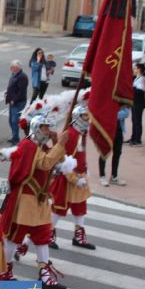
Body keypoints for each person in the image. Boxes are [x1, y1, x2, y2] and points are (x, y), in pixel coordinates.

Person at [1, 114, 69, 289]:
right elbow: (45, 164)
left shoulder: (40, 146)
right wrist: (60, 145)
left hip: (39, 200)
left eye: (48, 128)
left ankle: (44, 274)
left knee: (43, 237)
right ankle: (4, 271)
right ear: (36, 128)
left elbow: (59, 160)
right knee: (14, 237)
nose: (48, 131)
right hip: (24, 200)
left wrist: (56, 144)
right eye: (45, 128)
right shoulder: (27, 146)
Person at [50, 104, 96, 251]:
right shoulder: (70, 135)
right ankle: (48, 234)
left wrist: (85, 169)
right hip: (68, 178)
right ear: (77, 117)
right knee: (59, 208)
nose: (87, 119)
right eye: (84, 116)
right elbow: (63, 159)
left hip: (80, 175)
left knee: (80, 207)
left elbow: (80, 155)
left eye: (87, 116)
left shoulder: (81, 133)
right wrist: (75, 178)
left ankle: (79, 236)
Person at [99, 106, 129, 187]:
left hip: (118, 130)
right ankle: (102, 176)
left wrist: (112, 113)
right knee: (104, 153)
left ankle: (114, 176)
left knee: (117, 153)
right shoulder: (107, 100)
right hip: (107, 130)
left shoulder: (120, 100)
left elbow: (126, 113)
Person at [5, 60, 28, 145]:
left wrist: (14, 100)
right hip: (12, 102)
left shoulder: (22, 76)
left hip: (19, 102)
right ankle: (14, 136)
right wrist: (7, 94)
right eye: (11, 67)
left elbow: (21, 91)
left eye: (14, 67)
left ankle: (16, 139)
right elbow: (11, 87)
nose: (12, 69)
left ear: (19, 68)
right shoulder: (14, 74)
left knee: (15, 121)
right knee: (11, 121)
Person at [128, 63, 145, 146]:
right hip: (134, 102)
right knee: (134, 120)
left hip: (138, 103)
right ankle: (133, 137)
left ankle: (138, 139)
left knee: (137, 121)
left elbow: (140, 91)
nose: (133, 70)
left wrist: (132, 89)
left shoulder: (142, 79)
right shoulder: (136, 78)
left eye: (135, 68)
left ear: (139, 69)